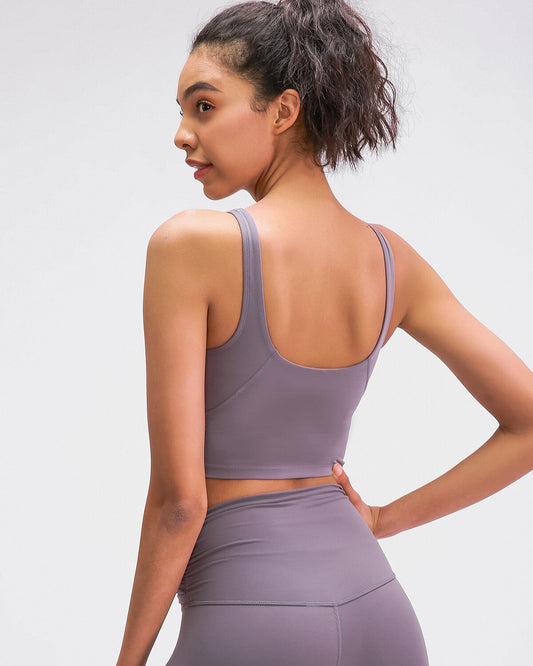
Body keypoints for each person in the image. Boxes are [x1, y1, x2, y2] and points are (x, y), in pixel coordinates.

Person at [116, 1, 533, 664]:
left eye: (204, 107)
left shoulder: (191, 246)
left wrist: (128, 660)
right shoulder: (391, 261)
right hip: (379, 610)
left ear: (283, 110)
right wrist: (380, 522)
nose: (181, 135)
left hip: (252, 618)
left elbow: (179, 504)